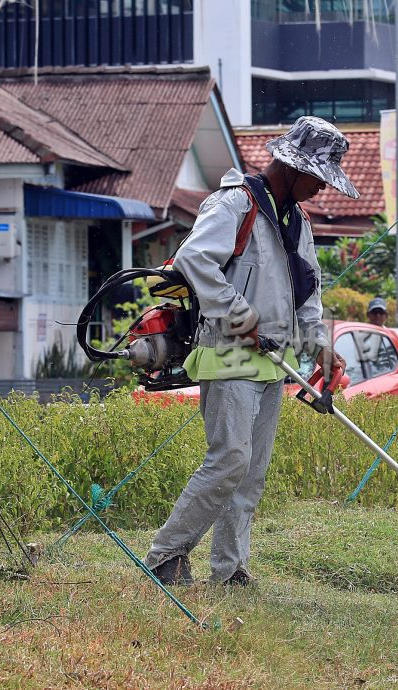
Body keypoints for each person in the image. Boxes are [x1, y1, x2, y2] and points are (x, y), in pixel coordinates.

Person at [144, 116, 357, 587]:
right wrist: (243, 319)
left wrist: (320, 346)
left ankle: (230, 569)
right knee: (230, 460)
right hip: (229, 351)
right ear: (292, 166)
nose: (321, 189)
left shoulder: (296, 221)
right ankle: (165, 555)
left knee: (251, 473)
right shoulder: (235, 204)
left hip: (272, 360)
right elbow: (194, 260)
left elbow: (307, 295)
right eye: (318, 177)